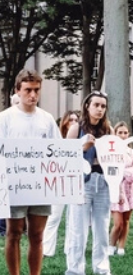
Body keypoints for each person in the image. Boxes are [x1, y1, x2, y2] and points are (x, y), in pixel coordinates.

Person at [0, 69, 60, 275]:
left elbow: (58, 151)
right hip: (13, 185)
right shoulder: (5, 118)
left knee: (36, 234)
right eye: (27, 90)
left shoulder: (46, 119)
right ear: (18, 90)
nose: (32, 95)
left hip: (41, 185)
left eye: (36, 90)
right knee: (13, 233)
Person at [65, 91, 115, 275]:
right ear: (87, 106)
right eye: (96, 105)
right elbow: (65, 156)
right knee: (78, 228)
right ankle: (75, 271)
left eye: (103, 106)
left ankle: (102, 268)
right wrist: (82, 147)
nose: (100, 109)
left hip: (102, 181)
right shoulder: (77, 128)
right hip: (81, 180)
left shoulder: (107, 129)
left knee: (102, 227)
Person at [42, 110, 80, 257]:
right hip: (57, 181)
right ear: (64, 122)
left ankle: (69, 249)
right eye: (70, 120)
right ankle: (47, 249)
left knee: (73, 218)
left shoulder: (81, 140)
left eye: (76, 120)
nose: (73, 123)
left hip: (75, 181)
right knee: (53, 216)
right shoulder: (56, 140)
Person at [108, 121, 133, 256]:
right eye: (119, 132)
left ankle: (121, 246)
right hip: (116, 188)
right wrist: (122, 172)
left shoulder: (131, 152)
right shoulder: (111, 152)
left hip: (130, 188)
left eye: (125, 132)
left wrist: (126, 172)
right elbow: (111, 170)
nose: (122, 135)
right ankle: (111, 245)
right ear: (115, 134)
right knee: (118, 222)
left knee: (126, 220)